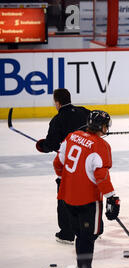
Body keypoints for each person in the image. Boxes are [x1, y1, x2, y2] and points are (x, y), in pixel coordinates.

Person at [53, 110, 120, 268]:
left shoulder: (72, 136)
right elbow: (101, 176)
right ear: (103, 127)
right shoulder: (101, 146)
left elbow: (58, 163)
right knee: (89, 235)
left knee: (83, 235)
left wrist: (68, 178)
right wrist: (112, 197)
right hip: (87, 199)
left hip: (67, 196)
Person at [35, 88, 91, 245]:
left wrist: (41, 145)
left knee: (65, 197)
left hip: (70, 166)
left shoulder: (57, 120)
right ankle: (92, 229)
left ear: (57, 103)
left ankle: (67, 233)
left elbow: (51, 144)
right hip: (87, 163)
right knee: (89, 195)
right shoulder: (84, 112)